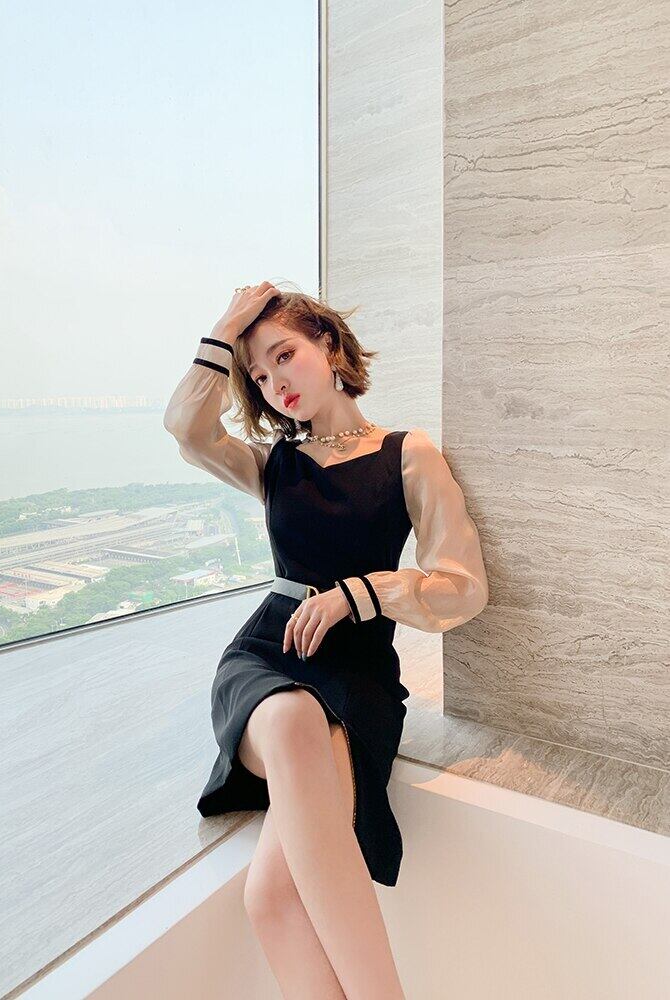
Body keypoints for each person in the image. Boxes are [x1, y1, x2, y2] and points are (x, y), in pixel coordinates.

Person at [163, 281, 489, 999]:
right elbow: (185, 428)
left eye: (284, 355)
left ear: (330, 346)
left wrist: (361, 593)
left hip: (357, 674)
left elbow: (463, 585)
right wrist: (225, 328)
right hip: (268, 653)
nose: (274, 382)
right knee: (287, 718)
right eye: (258, 374)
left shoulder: (407, 454)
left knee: (271, 898)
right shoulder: (271, 463)